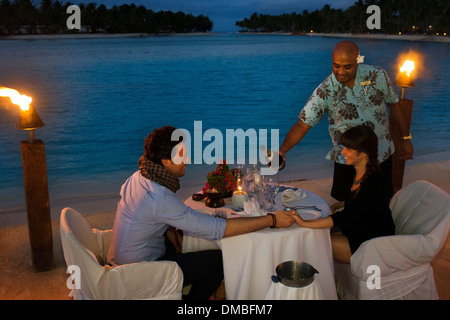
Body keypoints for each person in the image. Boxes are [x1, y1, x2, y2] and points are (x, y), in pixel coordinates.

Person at [106, 125, 295, 300]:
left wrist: (171, 233)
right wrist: (271, 220)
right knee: (218, 262)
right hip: (136, 274)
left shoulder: (139, 177)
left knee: (187, 239)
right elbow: (218, 229)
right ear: (165, 161)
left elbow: (151, 218)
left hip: (121, 260)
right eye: (181, 156)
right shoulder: (159, 197)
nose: (187, 160)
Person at [279, 40, 413, 201]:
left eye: (347, 67)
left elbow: (395, 106)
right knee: (345, 208)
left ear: (358, 60)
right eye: (336, 66)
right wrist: (283, 150)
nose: (341, 72)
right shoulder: (325, 90)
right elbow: (303, 123)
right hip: (348, 159)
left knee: (382, 204)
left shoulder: (377, 75)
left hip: (381, 154)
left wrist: (405, 139)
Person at [291, 125, 395, 263]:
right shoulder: (357, 172)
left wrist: (305, 223)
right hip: (357, 229)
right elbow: (360, 203)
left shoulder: (374, 181)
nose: (343, 152)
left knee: (310, 242)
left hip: (372, 242)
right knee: (314, 234)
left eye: (349, 149)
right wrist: (339, 205)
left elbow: (347, 216)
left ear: (363, 153)